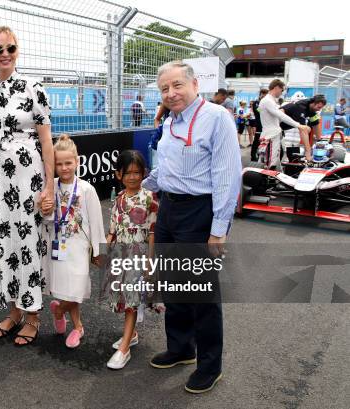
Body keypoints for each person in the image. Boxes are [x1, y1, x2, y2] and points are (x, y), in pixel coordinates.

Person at [142, 61, 242, 393]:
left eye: (177, 86)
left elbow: (227, 178)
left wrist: (218, 229)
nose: (170, 94)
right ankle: (181, 347)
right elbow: (165, 170)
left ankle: (210, 366)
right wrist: (140, 189)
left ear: (195, 84)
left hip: (199, 213)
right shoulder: (170, 121)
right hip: (169, 209)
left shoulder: (216, 118)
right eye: (164, 89)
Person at [0, 26, 55, 346]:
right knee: (5, 244)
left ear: (17, 50)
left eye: (10, 48)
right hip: (0, 180)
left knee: (29, 244)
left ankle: (33, 316)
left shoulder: (32, 88)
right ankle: (13, 312)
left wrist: (50, 189)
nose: (5, 54)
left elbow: (46, 141)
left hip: (29, 178)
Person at [43, 134, 105, 349]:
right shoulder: (51, 186)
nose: (64, 168)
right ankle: (77, 327)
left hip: (79, 248)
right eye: (59, 164)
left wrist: (99, 250)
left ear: (77, 162)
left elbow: (97, 222)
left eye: (68, 163)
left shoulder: (87, 189)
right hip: (58, 245)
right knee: (64, 288)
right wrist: (47, 210)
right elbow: (47, 219)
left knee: (77, 288)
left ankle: (59, 311)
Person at [102, 150, 161, 370]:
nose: (133, 177)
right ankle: (132, 334)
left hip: (139, 256)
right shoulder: (118, 199)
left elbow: (153, 232)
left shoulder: (149, 198)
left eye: (137, 172)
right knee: (124, 300)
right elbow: (113, 230)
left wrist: (150, 261)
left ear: (144, 173)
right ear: (119, 174)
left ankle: (124, 347)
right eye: (128, 173)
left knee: (132, 302)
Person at [258, 79, 311, 169]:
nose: (282, 93)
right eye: (282, 90)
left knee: (273, 162)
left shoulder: (269, 101)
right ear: (276, 88)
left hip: (272, 134)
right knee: (271, 163)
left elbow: (276, 116)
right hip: (271, 136)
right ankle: (268, 181)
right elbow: (281, 116)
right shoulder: (267, 101)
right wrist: (299, 125)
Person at [280, 95, 326, 161]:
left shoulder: (311, 109)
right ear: (313, 103)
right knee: (277, 157)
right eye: (318, 107)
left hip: (284, 132)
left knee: (307, 129)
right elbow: (303, 130)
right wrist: (308, 152)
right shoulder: (301, 106)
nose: (319, 109)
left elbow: (316, 124)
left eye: (321, 108)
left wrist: (320, 141)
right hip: (275, 128)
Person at [250, 89, 268, 161]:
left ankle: (262, 155)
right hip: (259, 124)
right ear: (260, 94)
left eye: (265, 94)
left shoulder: (266, 102)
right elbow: (258, 111)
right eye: (263, 94)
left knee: (264, 141)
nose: (264, 96)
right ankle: (253, 156)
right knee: (256, 141)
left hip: (265, 125)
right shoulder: (256, 102)